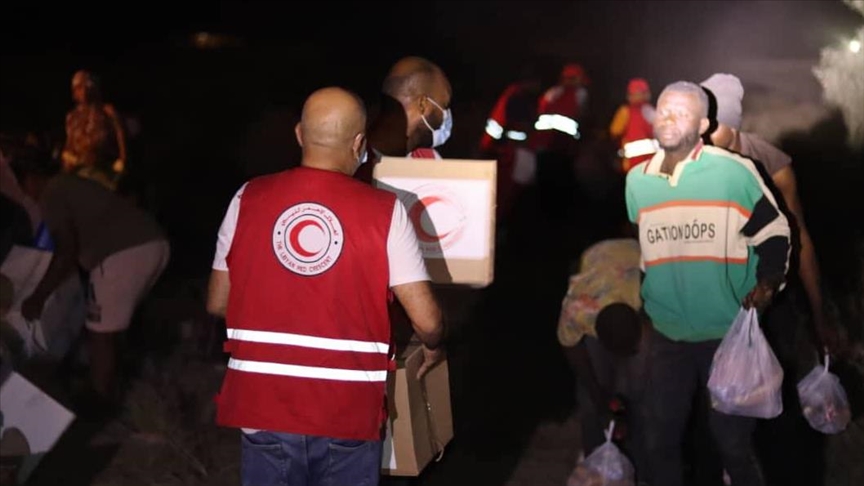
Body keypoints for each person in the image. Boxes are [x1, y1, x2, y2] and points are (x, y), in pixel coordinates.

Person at [206, 87, 445, 486]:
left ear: (300, 134)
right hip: (346, 411)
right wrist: (435, 346)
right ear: (359, 143)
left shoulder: (247, 197)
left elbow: (217, 302)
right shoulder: (386, 212)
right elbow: (428, 321)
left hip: (262, 404)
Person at [625, 81, 791, 486]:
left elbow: (775, 233)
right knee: (659, 440)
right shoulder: (637, 181)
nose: (669, 118)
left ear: (703, 125)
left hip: (726, 332)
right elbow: (647, 248)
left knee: (732, 445)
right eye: (664, 110)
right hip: (666, 333)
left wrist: (768, 284)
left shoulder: (732, 172)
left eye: (682, 113)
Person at [14, 150, 169, 410]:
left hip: (121, 252)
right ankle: (116, 386)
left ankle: (99, 401)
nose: (27, 195)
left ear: (30, 179)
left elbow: (66, 251)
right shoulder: (68, 183)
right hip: (154, 244)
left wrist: (38, 297)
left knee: (100, 333)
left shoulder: (51, 193)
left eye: (24, 188)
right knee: (111, 325)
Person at [700, 73, 836, 356]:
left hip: (771, 294)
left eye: (712, 125)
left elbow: (800, 239)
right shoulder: (693, 163)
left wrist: (819, 315)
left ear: (733, 124)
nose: (702, 134)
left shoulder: (773, 168)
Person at [558, 237, 651, 482]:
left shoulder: (648, 297)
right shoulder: (577, 310)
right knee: (590, 400)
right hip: (596, 264)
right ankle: (595, 470)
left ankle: (640, 469)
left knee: (641, 392)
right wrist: (599, 400)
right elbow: (571, 347)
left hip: (633, 261)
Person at [354, 56, 453, 186]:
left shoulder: (429, 161)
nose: (446, 115)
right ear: (423, 105)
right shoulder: (352, 160)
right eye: (443, 106)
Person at [61, 69, 128, 190]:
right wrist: (68, 158)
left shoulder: (107, 111)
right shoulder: (72, 117)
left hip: (104, 171)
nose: (83, 91)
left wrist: (121, 162)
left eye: (85, 85)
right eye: (78, 88)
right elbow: (69, 145)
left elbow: (121, 140)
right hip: (80, 172)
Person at [609, 78, 657, 174]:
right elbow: (614, 131)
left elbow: (614, 132)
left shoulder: (649, 111)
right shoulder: (626, 112)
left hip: (647, 164)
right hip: (638, 164)